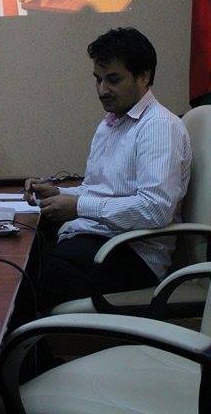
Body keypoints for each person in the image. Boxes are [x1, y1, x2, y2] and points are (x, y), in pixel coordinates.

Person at [23, 28, 191, 314]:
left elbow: (155, 210)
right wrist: (57, 192)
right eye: (98, 79)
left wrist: (78, 206)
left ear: (143, 76)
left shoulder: (158, 127)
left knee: (23, 276)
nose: (102, 90)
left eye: (113, 79)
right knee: (21, 250)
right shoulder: (111, 123)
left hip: (132, 255)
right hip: (99, 241)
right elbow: (98, 189)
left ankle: (32, 342)